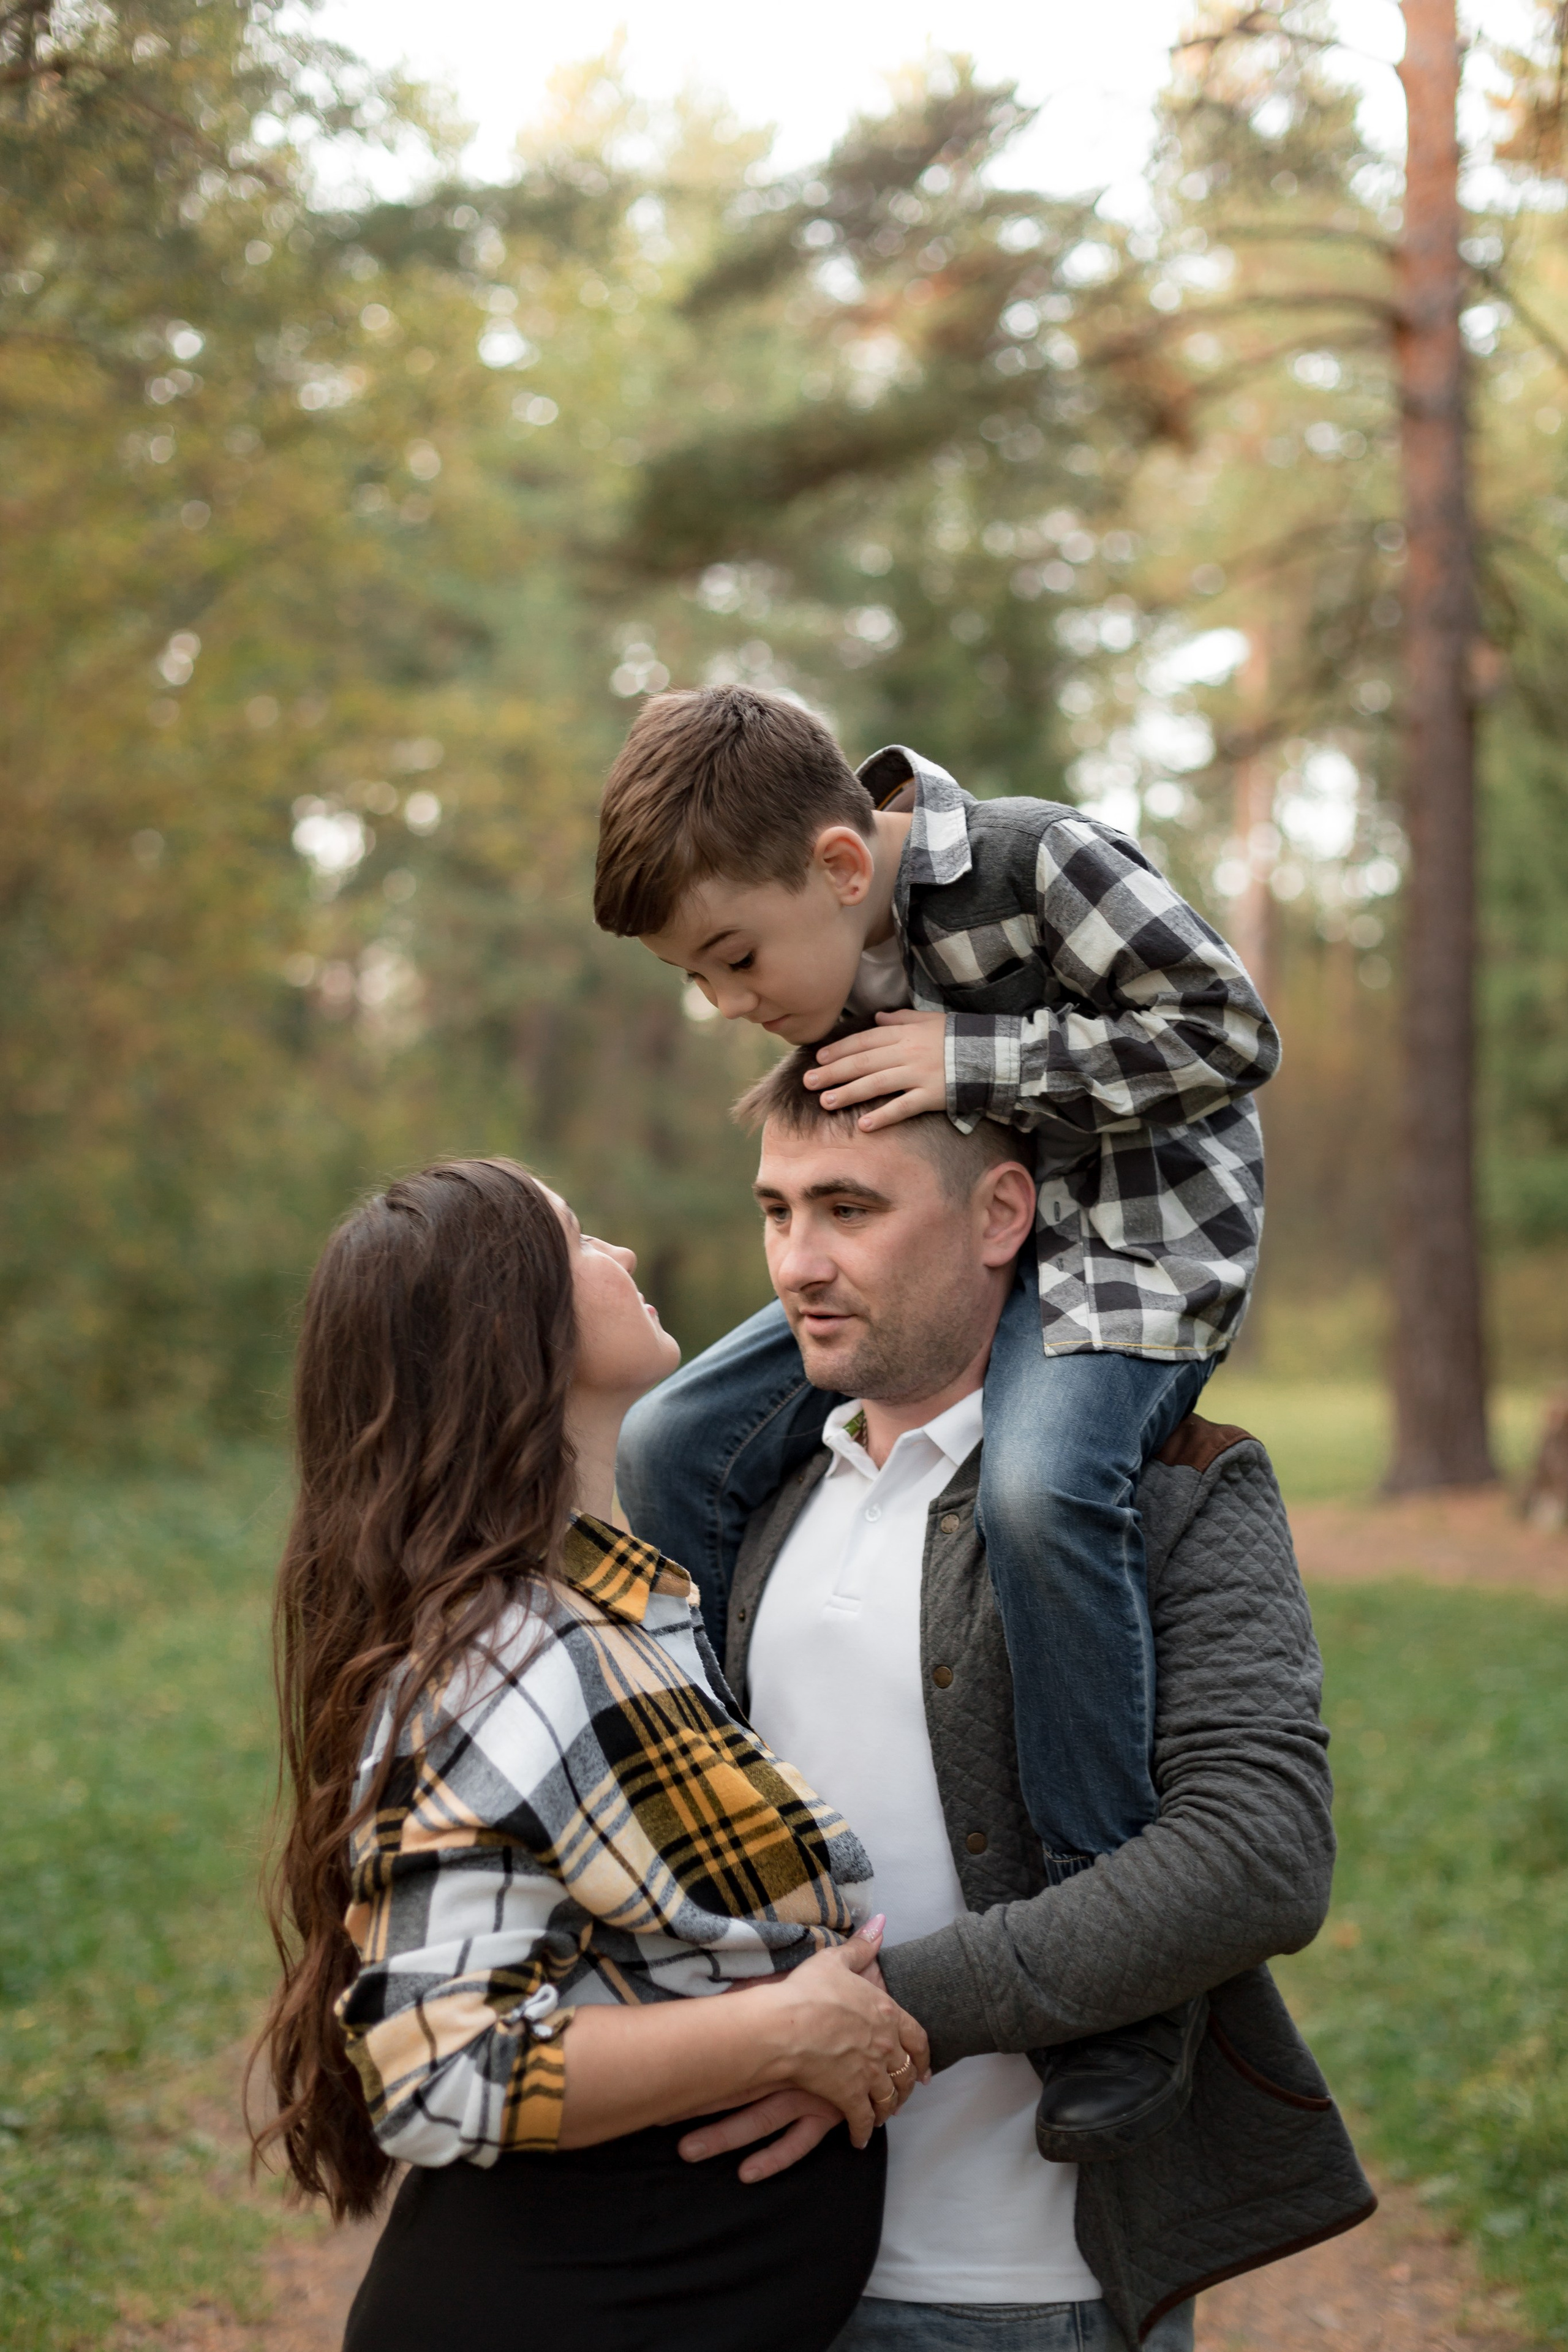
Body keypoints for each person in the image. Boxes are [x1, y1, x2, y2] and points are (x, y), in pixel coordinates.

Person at [594, 684, 1282, 2154]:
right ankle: (711, 1843)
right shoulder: (835, 942)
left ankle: (1106, 1958)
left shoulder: (1043, 861)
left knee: (1037, 1491)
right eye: (692, 975)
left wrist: (977, 1060)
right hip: (965, 1258)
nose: (723, 1002)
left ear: (842, 865)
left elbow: (1228, 1032)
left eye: (733, 959)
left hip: (1131, 1259)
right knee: (667, 1440)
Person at [674, 1055, 1373, 2350]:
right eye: (776, 1211)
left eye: (849, 1208)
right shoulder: (747, 1502)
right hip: (751, 2272)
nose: (798, 1264)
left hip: (1026, 2291)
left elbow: (1258, 1854)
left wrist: (884, 2015)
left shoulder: (1168, 1488)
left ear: (1003, 1214)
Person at [252, 1156, 931, 2352]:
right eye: (578, 1238)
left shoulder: (615, 1614)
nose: (620, 1256)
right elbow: (440, 2067)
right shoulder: (504, 1659)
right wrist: (781, 2032)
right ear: (511, 1330)